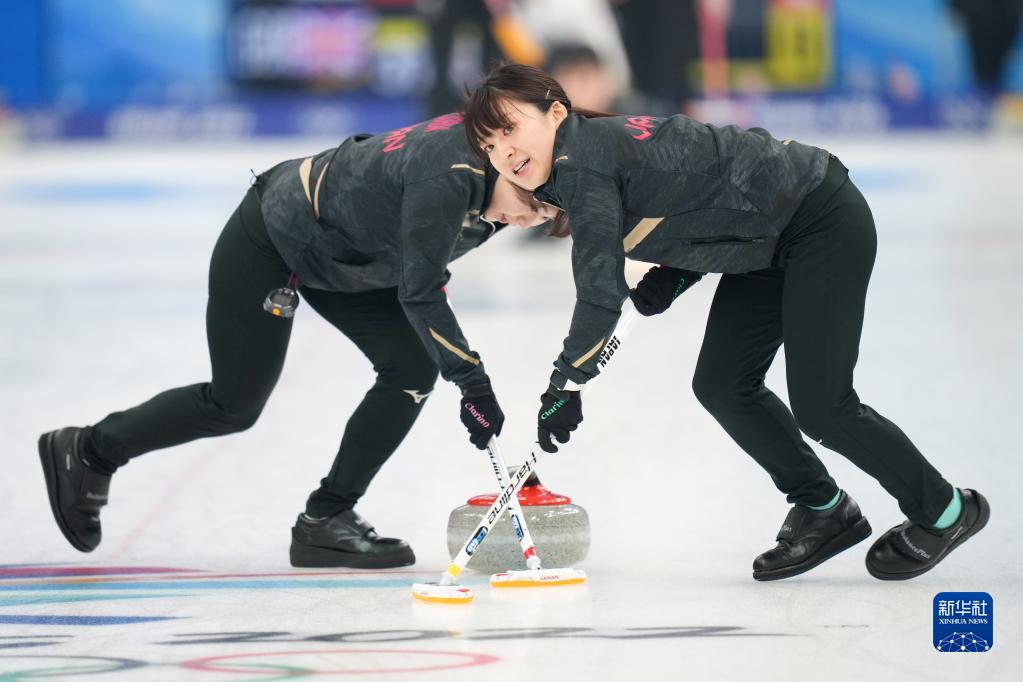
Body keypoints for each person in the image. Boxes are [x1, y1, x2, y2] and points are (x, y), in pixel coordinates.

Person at [463, 64, 989, 581]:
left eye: (509, 129)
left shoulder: (583, 164)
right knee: (722, 383)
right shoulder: (581, 159)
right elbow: (703, 187)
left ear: (556, 112)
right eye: (488, 145)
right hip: (764, 240)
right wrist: (676, 270)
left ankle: (947, 509)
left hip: (818, 219)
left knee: (824, 406)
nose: (503, 151)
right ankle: (823, 507)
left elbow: (600, 292)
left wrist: (566, 383)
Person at [37, 112, 552, 569]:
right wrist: (472, 382)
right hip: (277, 235)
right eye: (527, 204)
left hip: (351, 258)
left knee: (412, 367)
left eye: (541, 218)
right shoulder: (449, 176)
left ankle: (326, 518)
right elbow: (423, 291)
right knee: (234, 403)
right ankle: (89, 449)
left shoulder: (512, 184)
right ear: (506, 158)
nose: (524, 220)